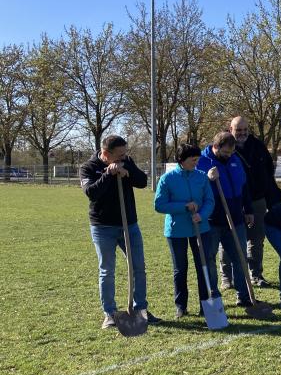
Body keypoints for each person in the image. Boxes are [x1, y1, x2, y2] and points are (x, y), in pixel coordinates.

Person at [80, 135, 161, 329]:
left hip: (129, 225)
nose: (123, 157)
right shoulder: (88, 167)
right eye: (119, 155)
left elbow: (142, 182)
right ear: (106, 154)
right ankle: (110, 313)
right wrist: (108, 174)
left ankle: (140, 309)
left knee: (138, 267)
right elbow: (91, 193)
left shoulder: (126, 161)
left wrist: (128, 171)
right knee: (107, 271)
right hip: (103, 227)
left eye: (125, 154)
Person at [219, 116, 281, 289]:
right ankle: (227, 278)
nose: (242, 133)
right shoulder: (223, 146)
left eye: (244, 130)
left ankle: (255, 274)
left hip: (257, 200)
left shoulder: (258, 146)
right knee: (228, 239)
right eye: (238, 130)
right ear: (230, 129)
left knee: (256, 240)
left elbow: (269, 172)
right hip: (232, 201)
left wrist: (271, 198)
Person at [154, 143, 218, 319]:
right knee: (180, 269)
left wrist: (202, 215)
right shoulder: (167, 179)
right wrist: (184, 207)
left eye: (197, 159)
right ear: (181, 160)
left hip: (201, 228)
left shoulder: (202, 177)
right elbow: (159, 205)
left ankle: (206, 305)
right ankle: (181, 306)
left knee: (203, 266)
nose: (196, 163)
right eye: (193, 159)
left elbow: (209, 201)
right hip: (176, 231)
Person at [196, 132, 256, 308]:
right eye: (225, 153)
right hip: (212, 220)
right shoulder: (201, 161)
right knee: (209, 258)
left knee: (240, 257)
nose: (229, 156)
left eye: (231, 153)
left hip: (236, 218)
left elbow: (244, 186)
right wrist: (206, 178)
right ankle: (214, 296)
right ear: (215, 147)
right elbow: (194, 186)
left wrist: (248, 209)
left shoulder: (235, 159)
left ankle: (244, 295)